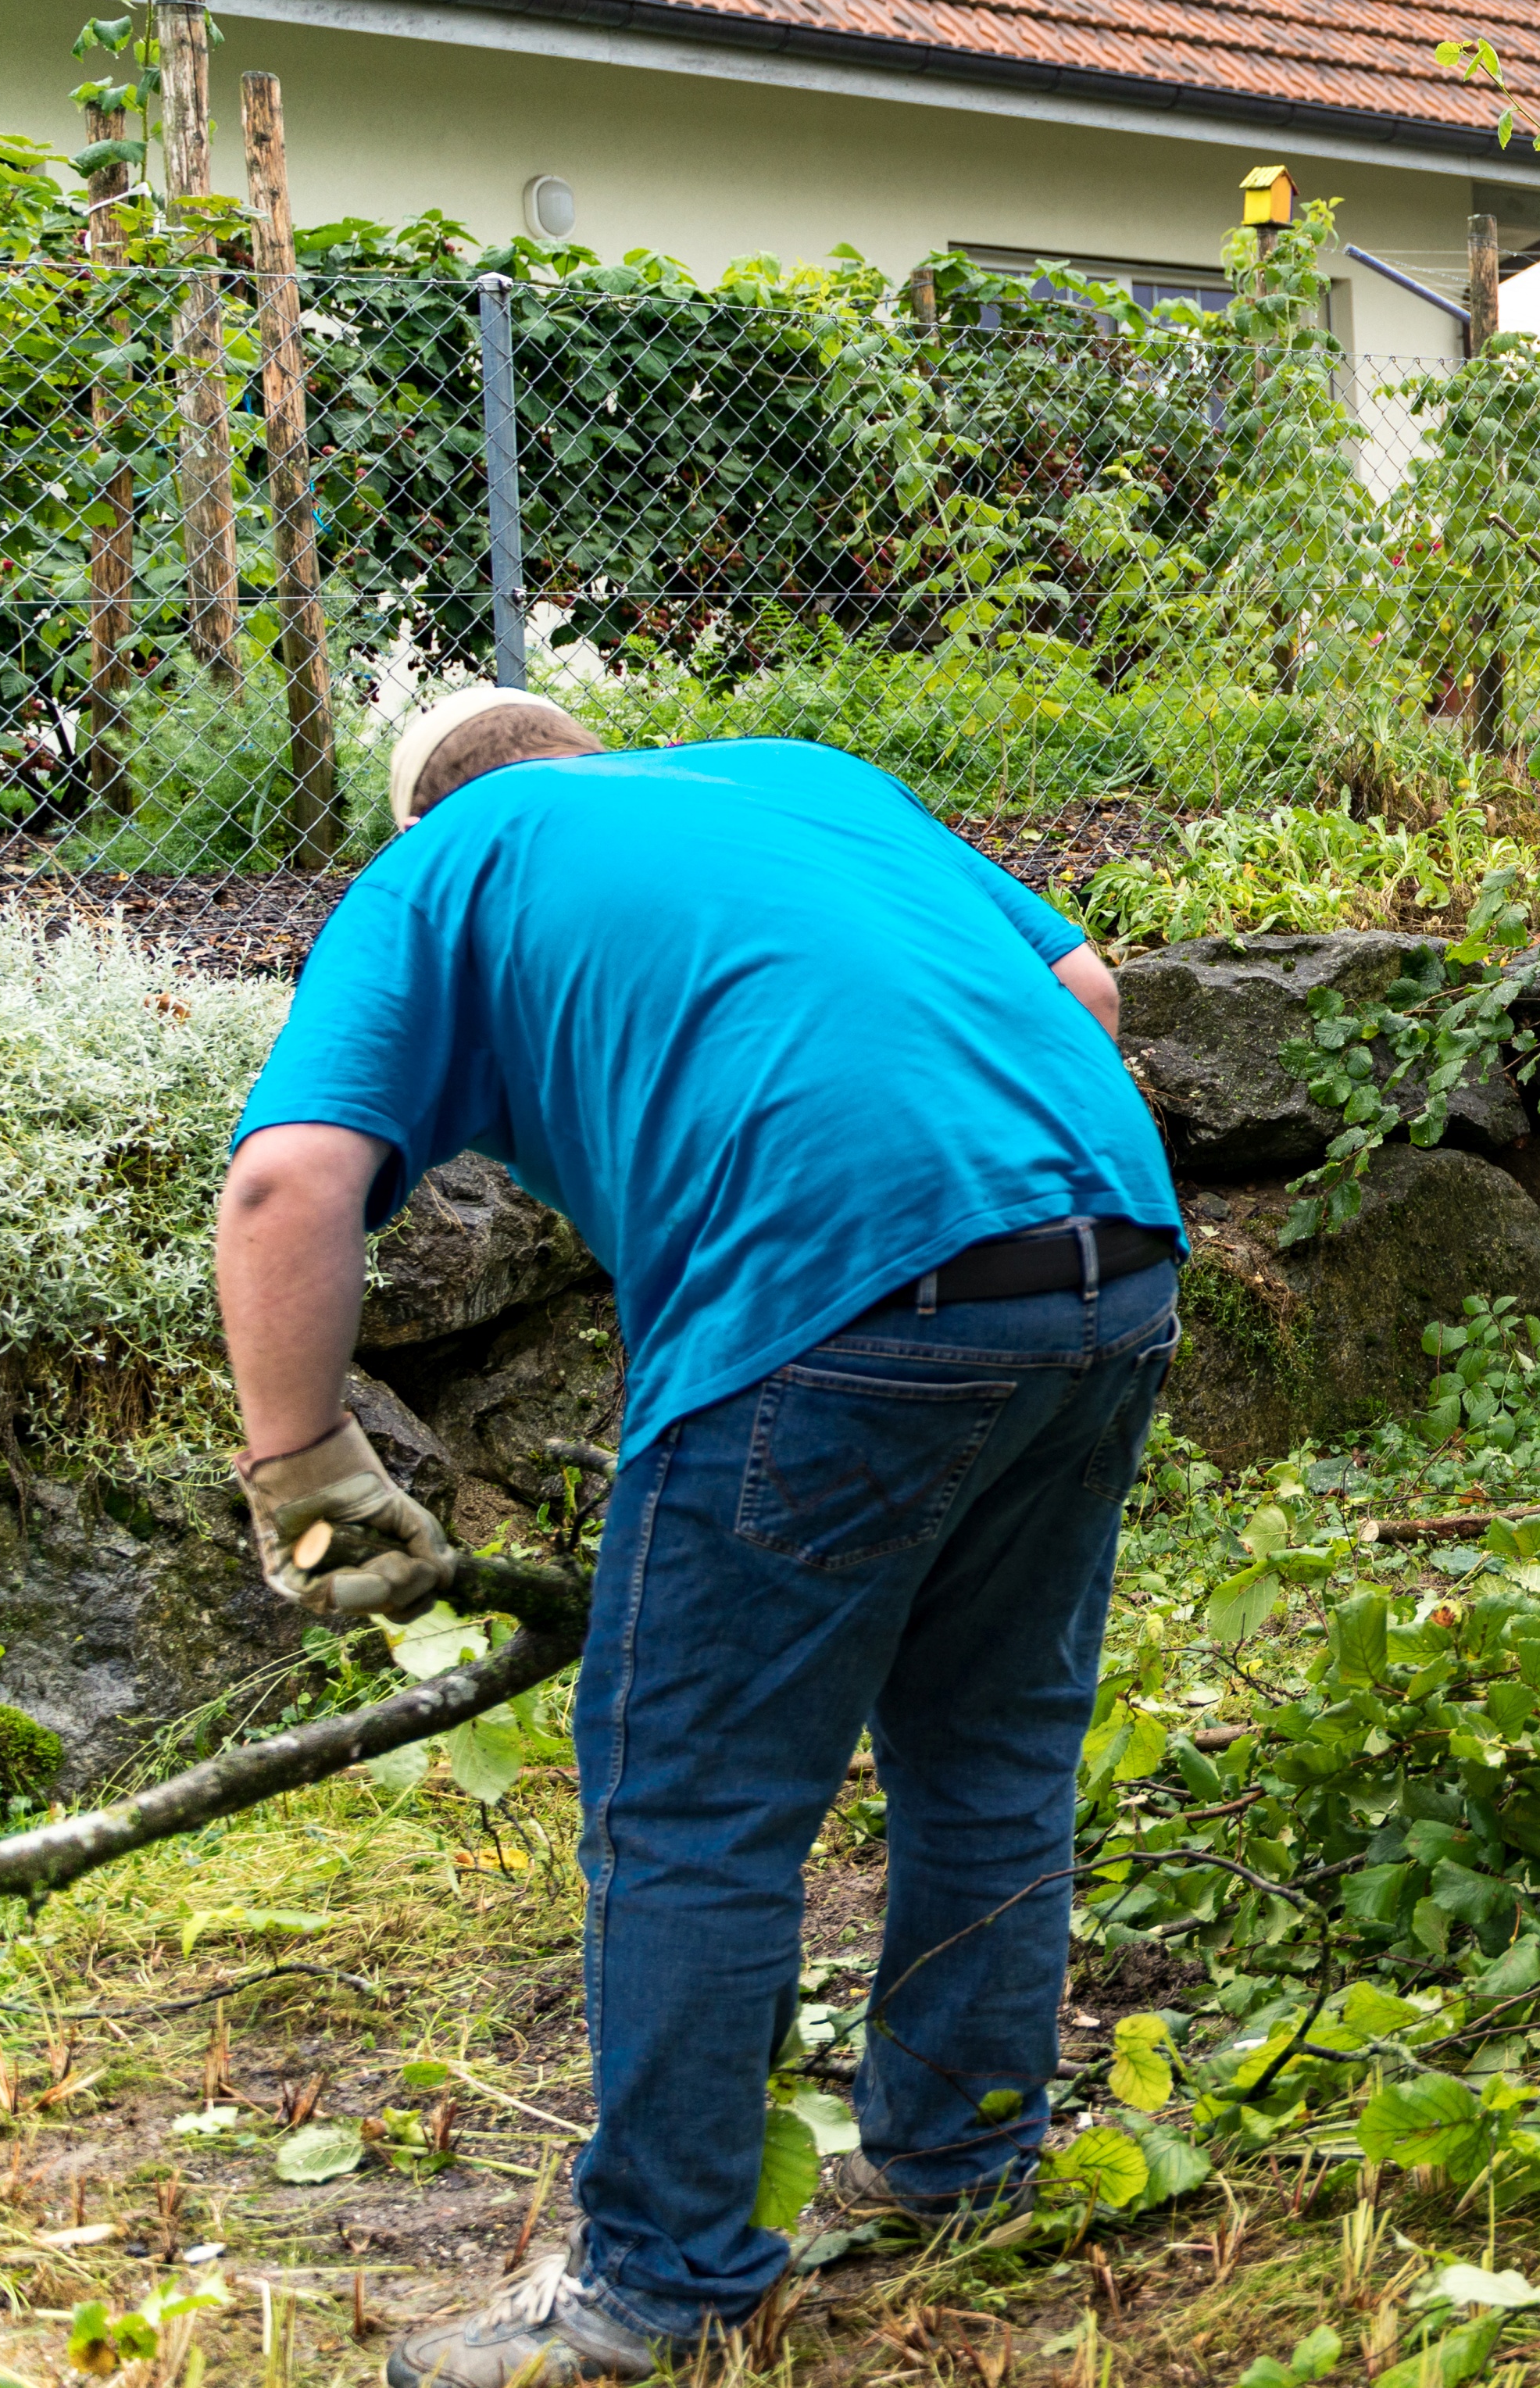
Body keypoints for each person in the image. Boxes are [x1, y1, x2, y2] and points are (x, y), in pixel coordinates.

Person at [216, 685, 1182, 2387]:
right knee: (995, 1739)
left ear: (419, 814)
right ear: (595, 749)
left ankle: (662, 2281)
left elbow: (285, 1186)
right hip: (1107, 1256)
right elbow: (1087, 992)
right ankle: (963, 2161)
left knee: (693, 1796)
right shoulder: (801, 778)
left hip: (833, 1299)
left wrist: (300, 1464)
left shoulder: (451, 866)